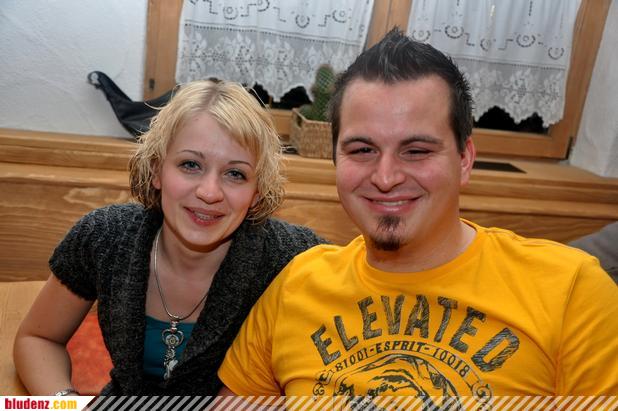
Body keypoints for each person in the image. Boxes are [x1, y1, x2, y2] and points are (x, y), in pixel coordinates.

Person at [216, 29, 618, 406]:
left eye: (417, 151)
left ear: (465, 159)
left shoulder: (571, 291)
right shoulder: (296, 284)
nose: (386, 177)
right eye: (362, 150)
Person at [13, 79, 325, 396]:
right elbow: (38, 339)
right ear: (156, 170)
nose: (209, 192)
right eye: (190, 164)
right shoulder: (104, 237)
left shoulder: (293, 259)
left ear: (257, 192)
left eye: (235, 174)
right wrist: (66, 403)